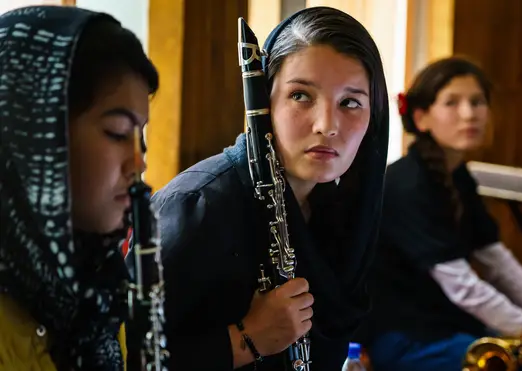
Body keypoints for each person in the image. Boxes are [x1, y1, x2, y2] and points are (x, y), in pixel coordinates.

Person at [126, 6, 389, 371]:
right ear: (265, 102)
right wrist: (247, 339)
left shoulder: (341, 211)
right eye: (301, 96)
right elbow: (117, 355)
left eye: (350, 103)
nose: (327, 125)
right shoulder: (198, 207)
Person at [355, 57, 522, 371]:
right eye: (452, 103)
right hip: (406, 338)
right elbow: (464, 287)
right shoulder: (407, 185)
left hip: (453, 326)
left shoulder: (458, 175)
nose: (469, 113)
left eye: (477, 102)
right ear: (421, 118)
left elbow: (499, 263)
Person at [0, 5, 158, 370]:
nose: (140, 163)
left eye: (140, 138)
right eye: (118, 132)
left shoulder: (97, 280)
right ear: (33, 140)